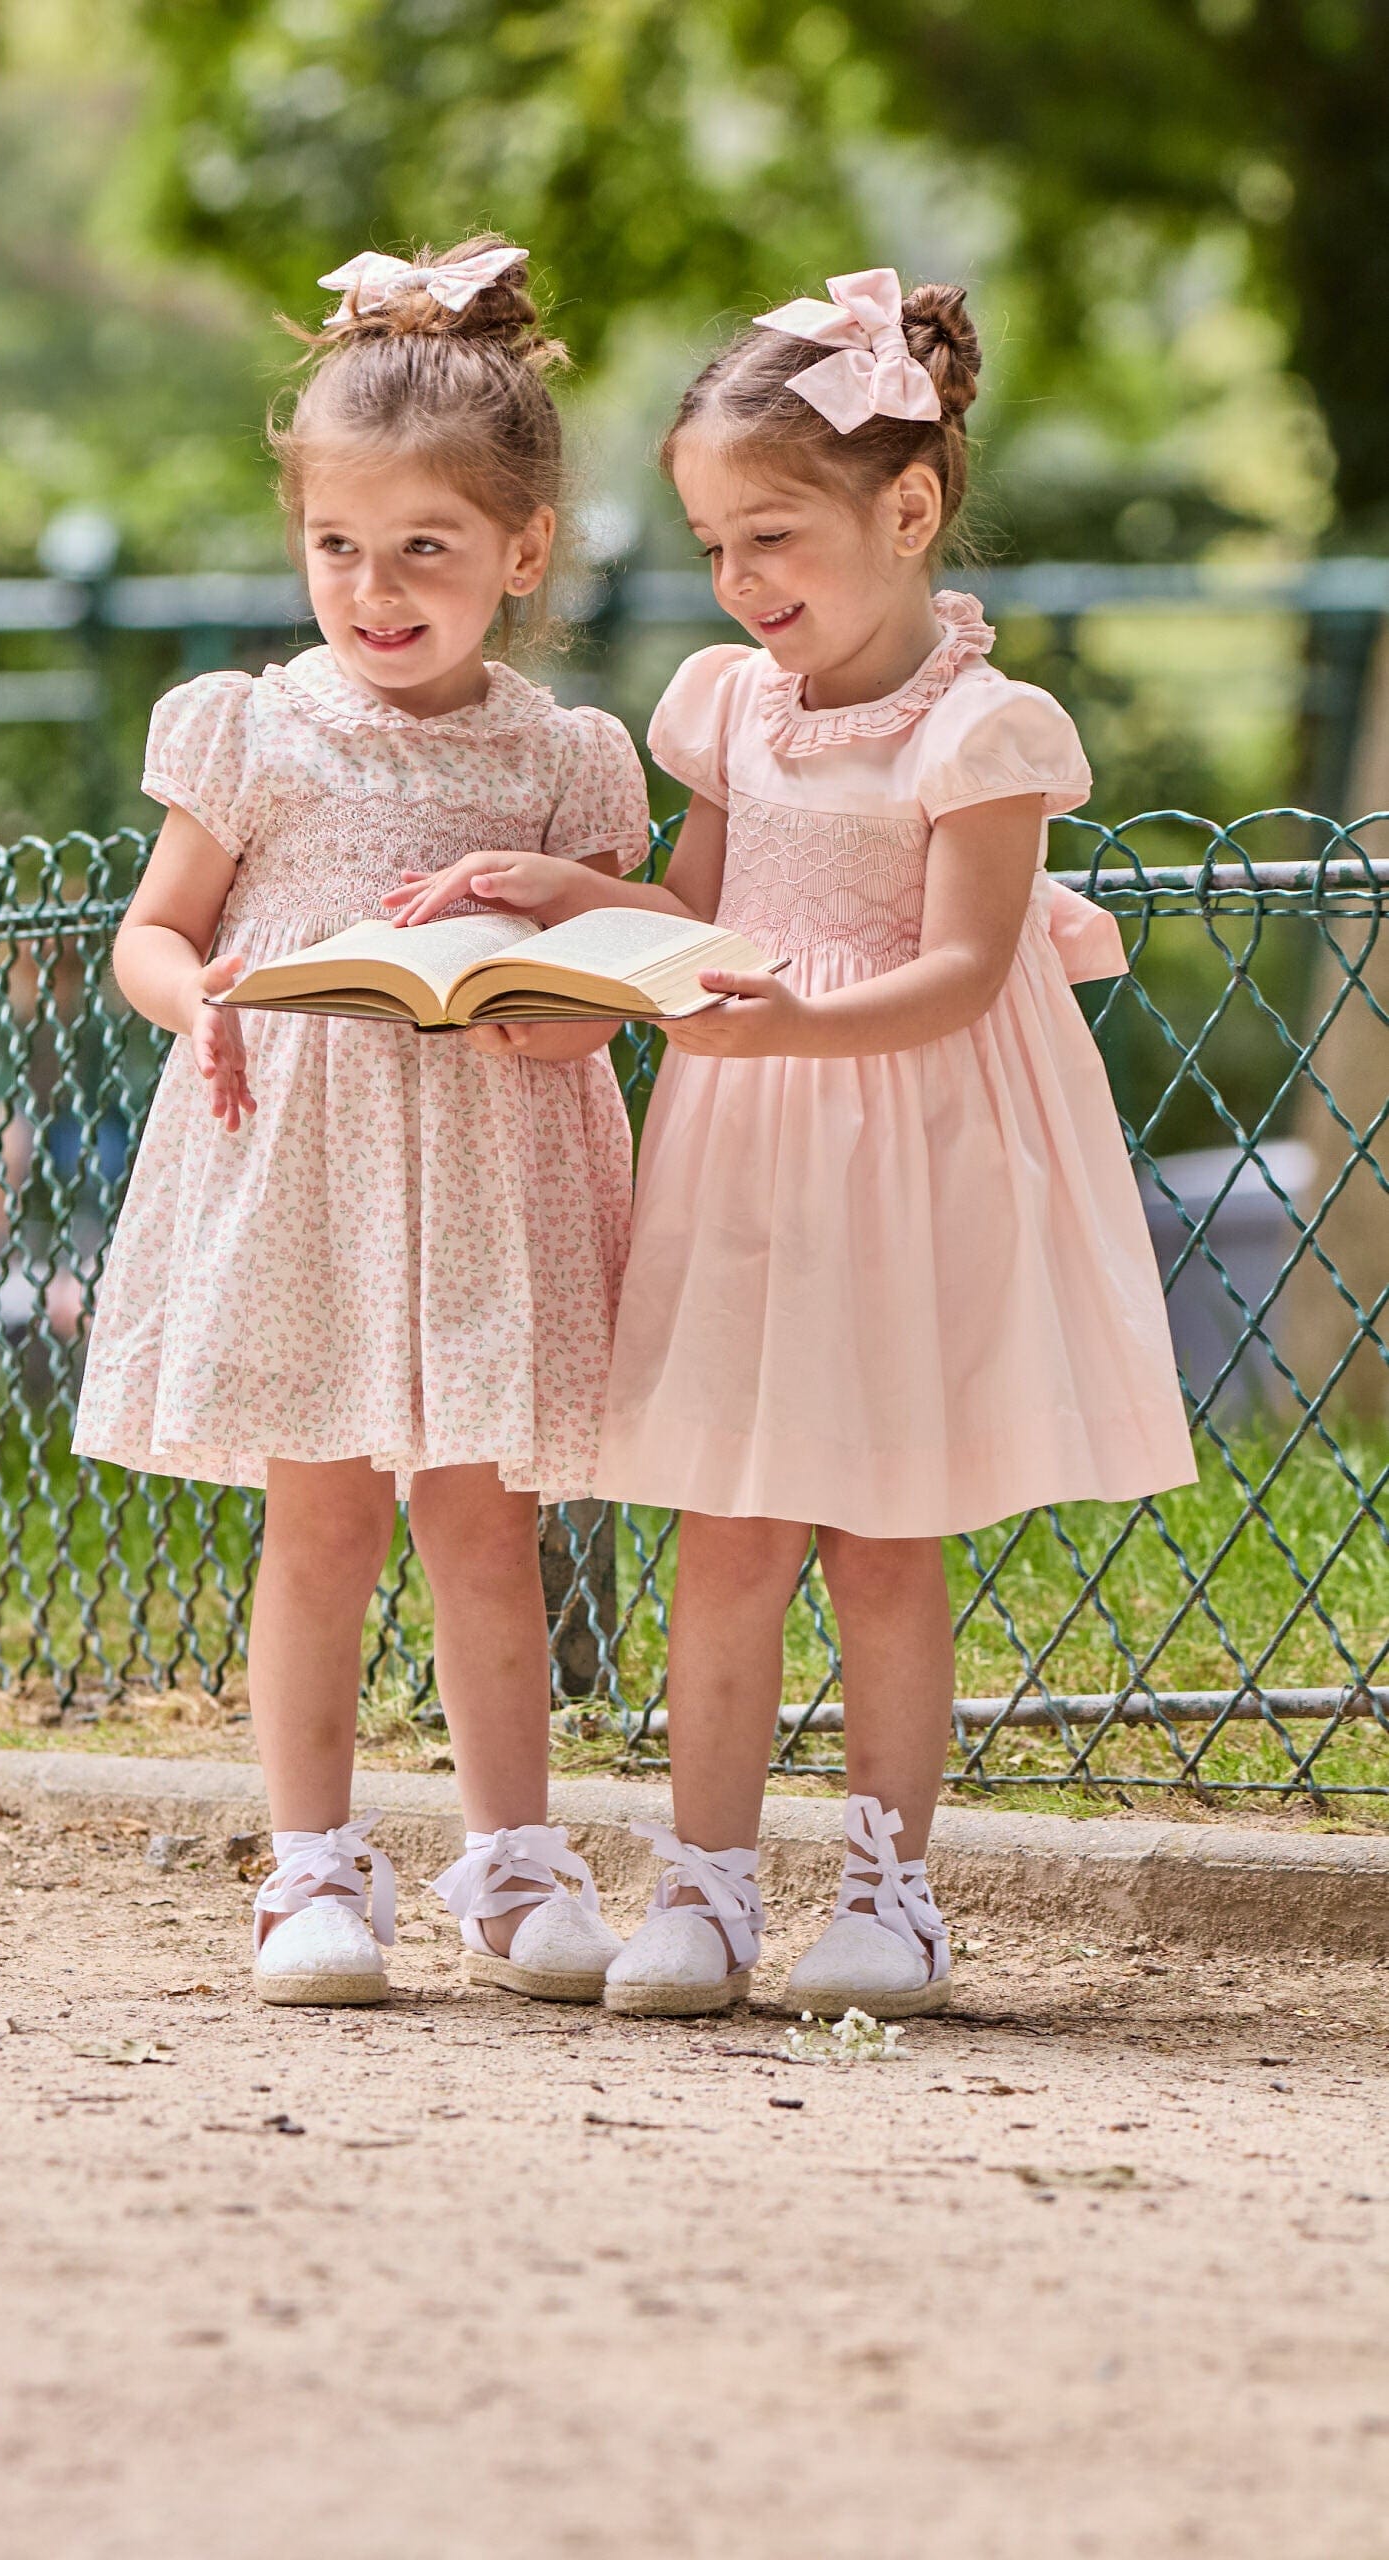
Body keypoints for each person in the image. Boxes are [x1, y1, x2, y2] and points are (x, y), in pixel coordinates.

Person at [388, 267, 1195, 2021]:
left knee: (886, 1535)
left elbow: (966, 971)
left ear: (907, 510)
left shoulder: (985, 734)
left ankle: (891, 1893)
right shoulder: (730, 710)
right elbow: (695, 905)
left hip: (901, 1149)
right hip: (749, 1150)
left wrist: (790, 1022)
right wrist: (572, 906)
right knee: (731, 1525)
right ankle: (708, 1879)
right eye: (712, 547)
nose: (744, 585)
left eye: (775, 538)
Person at [75, 237, 643, 2009]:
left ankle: (512, 1860)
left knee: (486, 1522)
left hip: (488, 1172)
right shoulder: (252, 730)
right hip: (300, 1165)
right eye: (340, 547)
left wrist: (564, 1006)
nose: (375, 592)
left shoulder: (565, 757)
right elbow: (152, 940)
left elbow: (619, 970)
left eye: (426, 553)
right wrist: (208, 1003)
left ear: (520, 555)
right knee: (316, 1520)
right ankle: (310, 1868)